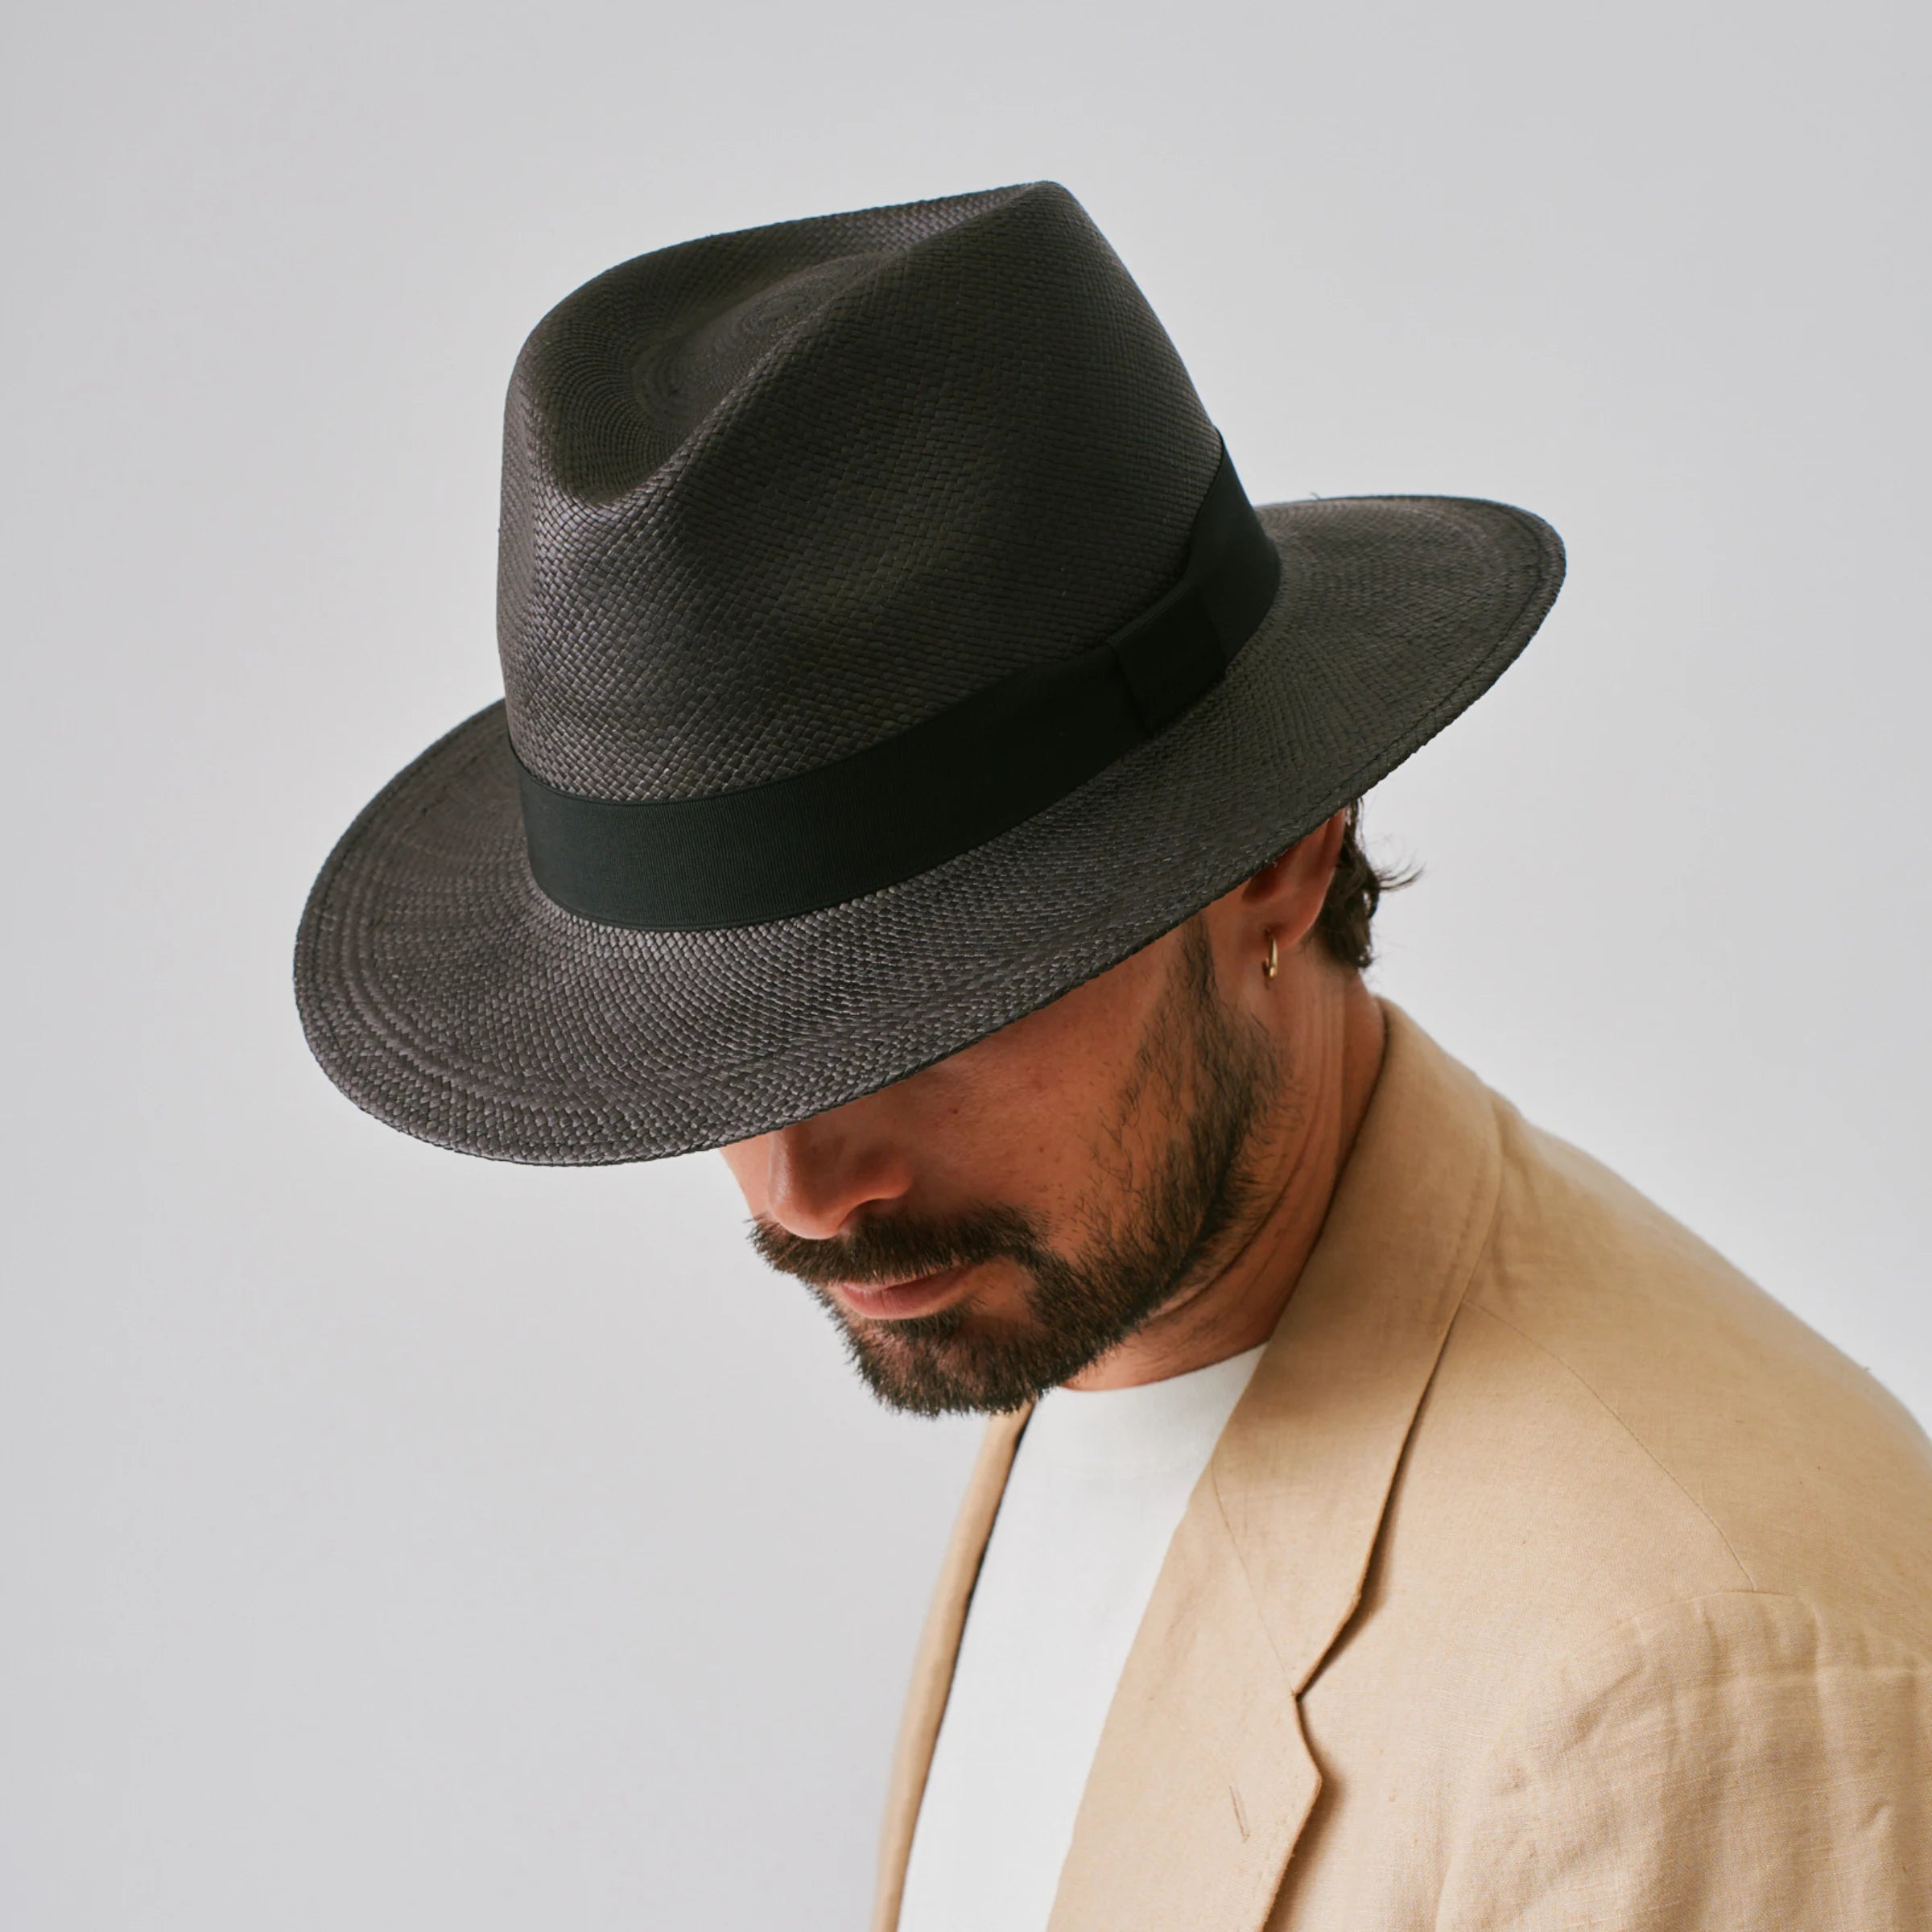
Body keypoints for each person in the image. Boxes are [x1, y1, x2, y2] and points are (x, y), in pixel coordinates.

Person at [295, 182, 1932, 1929]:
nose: (801, 1190)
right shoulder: (1106, 1311)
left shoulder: (1697, 1695)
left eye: (919, 1016)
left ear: (1281, 854)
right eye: (725, 1058)